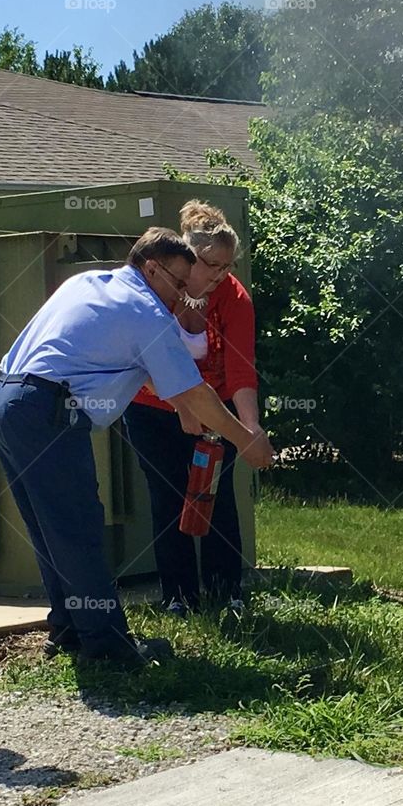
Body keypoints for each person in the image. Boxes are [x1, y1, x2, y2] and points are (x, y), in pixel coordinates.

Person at [0, 228, 275, 666]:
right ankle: (107, 646)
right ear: (151, 268)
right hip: (49, 412)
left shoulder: (89, 283)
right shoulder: (146, 310)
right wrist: (246, 439)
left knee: (51, 530)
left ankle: (69, 629)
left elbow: (125, 363)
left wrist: (179, 403)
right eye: (178, 283)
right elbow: (198, 392)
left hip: (7, 400)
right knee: (79, 528)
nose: (181, 296)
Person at [124, 200, 262, 615]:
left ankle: (227, 593)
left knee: (215, 495)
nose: (219, 275)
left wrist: (250, 428)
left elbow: (240, 370)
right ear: (187, 257)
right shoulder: (161, 290)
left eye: (227, 266)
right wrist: (181, 405)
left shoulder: (234, 298)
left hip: (214, 409)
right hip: (152, 406)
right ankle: (178, 598)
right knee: (167, 497)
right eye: (211, 265)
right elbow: (141, 361)